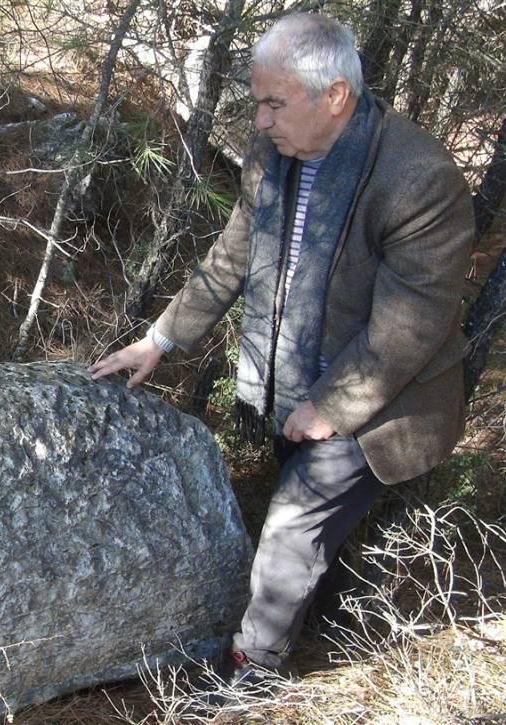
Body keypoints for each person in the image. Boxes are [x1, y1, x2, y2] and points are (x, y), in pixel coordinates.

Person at [88, 12, 474, 683]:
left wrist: (331, 405)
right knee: (300, 526)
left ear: (335, 97)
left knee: (294, 522)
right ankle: (305, 621)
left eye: (273, 103)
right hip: (293, 377)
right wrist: (160, 338)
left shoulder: (418, 180)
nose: (260, 121)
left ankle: (254, 673)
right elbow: (235, 252)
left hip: (384, 398)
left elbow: (412, 322)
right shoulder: (276, 155)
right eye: (256, 101)